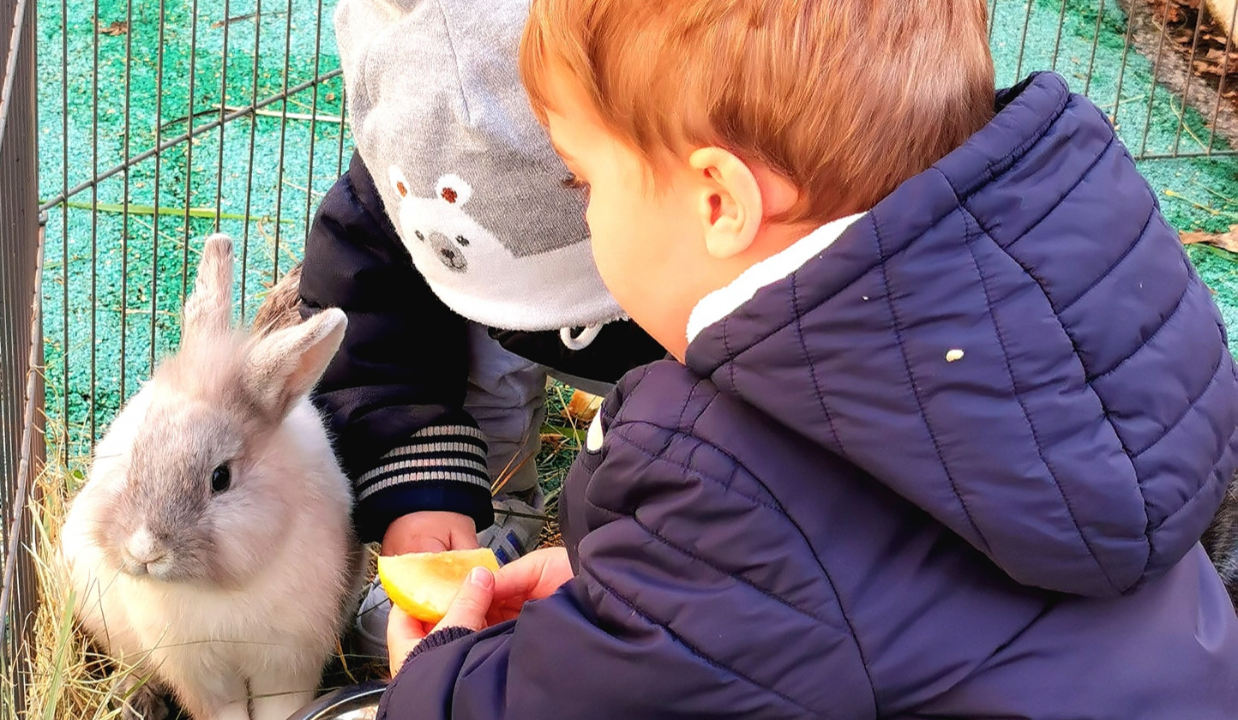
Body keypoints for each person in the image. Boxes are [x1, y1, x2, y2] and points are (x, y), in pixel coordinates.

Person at [374, 0, 1238, 717]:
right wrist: (641, 596)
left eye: (584, 181)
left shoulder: (724, 488)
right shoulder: (1084, 300)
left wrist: (437, 683)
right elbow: (854, 597)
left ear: (721, 201)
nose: (587, 216)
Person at [294, 0, 666, 656]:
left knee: (665, 438)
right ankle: (494, 505)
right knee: (485, 382)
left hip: (659, 330)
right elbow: (373, 345)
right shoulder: (387, 203)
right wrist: (420, 492)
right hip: (486, 326)